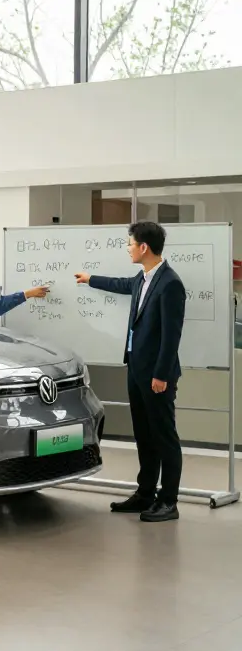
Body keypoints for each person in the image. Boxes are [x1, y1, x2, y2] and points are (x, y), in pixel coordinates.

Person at [75, 221, 185, 522]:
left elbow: (172, 336)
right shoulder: (143, 278)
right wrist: (90, 279)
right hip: (136, 369)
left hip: (156, 376)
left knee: (164, 437)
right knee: (144, 436)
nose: (127, 248)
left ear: (143, 247)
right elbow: (122, 285)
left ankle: (168, 501)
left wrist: (161, 375)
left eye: (129, 243)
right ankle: (145, 493)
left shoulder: (170, 283)